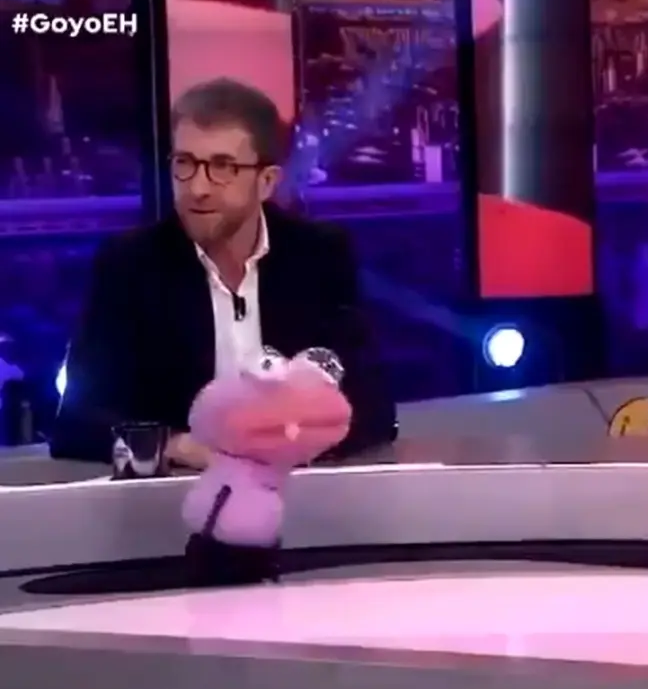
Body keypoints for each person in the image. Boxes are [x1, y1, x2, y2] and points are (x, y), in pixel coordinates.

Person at [50, 78, 397, 466]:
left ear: (266, 182)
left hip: (297, 484)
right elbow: (75, 426)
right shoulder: (130, 263)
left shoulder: (318, 255)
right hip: (175, 492)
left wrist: (293, 446)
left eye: (222, 167)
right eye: (185, 163)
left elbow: (375, 410)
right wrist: (177, 448)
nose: (197, 187)